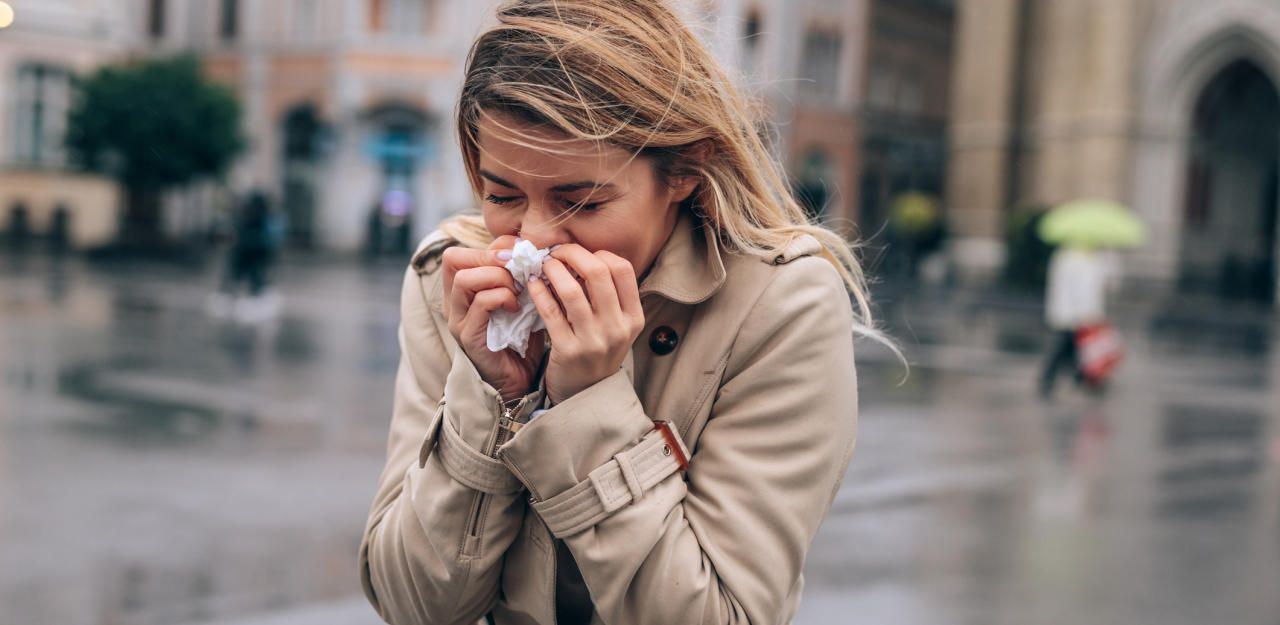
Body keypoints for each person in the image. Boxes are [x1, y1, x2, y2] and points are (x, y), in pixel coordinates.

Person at [358, 2, 886, 623]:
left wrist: (590, 404)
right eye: (501, 195)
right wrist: (489, 399)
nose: (534, 238)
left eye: (579, 201)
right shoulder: (448, 281)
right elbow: (413, 605)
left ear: (684, 170)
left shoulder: (781, 306)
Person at [1039, 244, 1117, 399]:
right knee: (1068, 348)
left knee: (1073, 349)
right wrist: (1087, 314)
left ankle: (1081, 379)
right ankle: (1080, 379)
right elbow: (1079, 291)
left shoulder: (1088, 260)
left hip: (1076, 313)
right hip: (1074, 314)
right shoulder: (1073, 259)